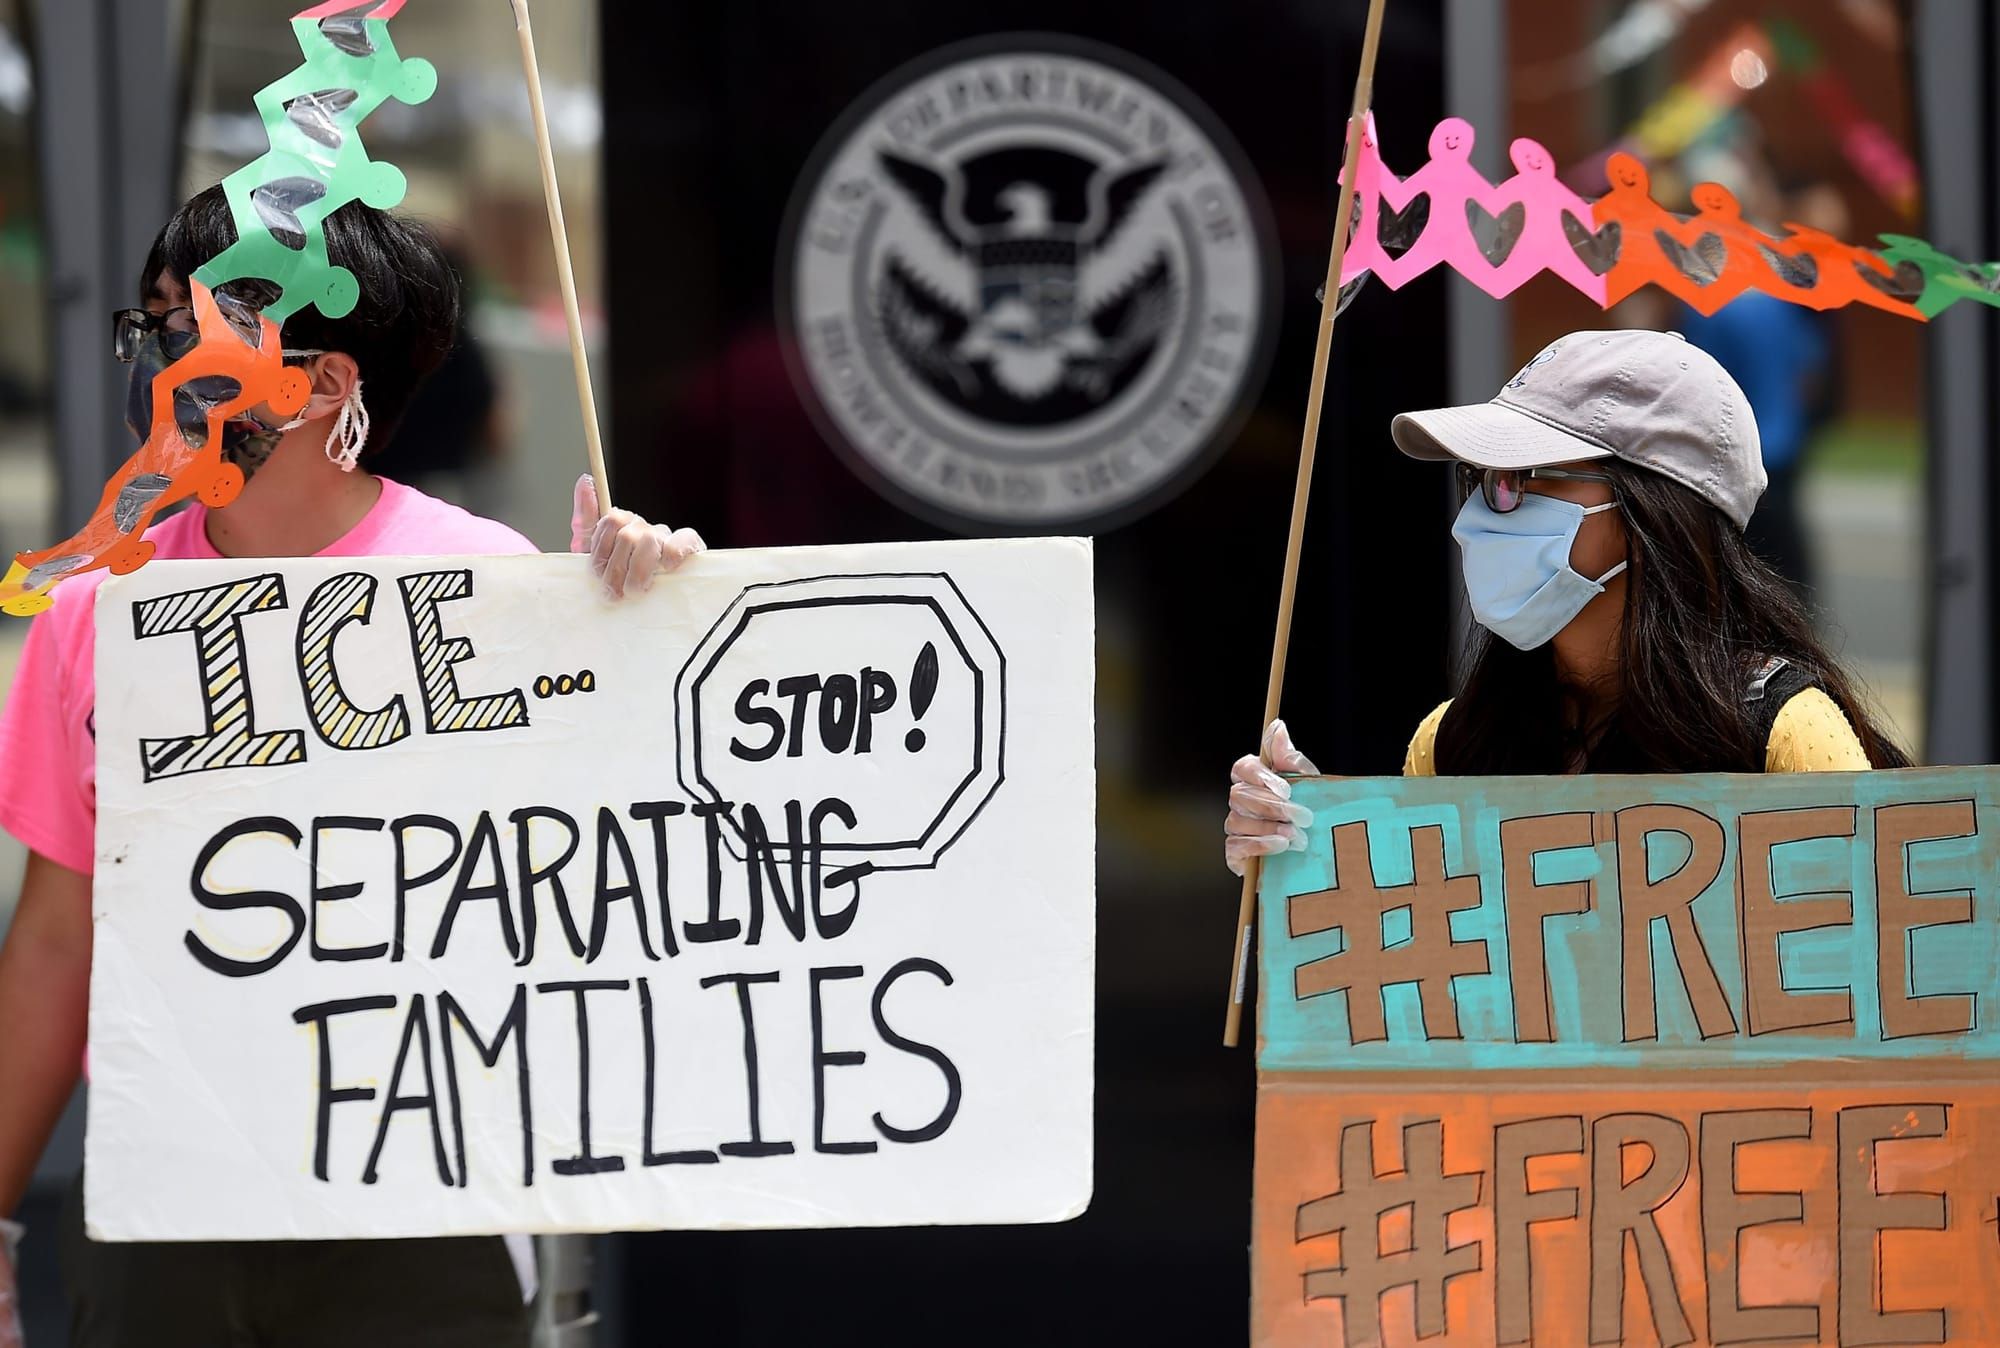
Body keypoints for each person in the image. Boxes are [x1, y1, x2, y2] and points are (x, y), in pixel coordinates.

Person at [0, 187, 703, 1348]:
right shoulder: (95, 612)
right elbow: (58, 935)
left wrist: (640, 625)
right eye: (153, 325)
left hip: (424, 1200)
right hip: (165, 1198)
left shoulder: (489, 582)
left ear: (326, 384)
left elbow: (593, 872)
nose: (157, 360)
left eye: (195, 329)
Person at [1225, 328, 1907, 877]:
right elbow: (1425, 975)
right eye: (1483, 481)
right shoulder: (1452, 742)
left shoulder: (1780, 733)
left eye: (1524, 479)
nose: (1481, 518)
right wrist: (1313, 848)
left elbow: (1872, 981)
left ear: (1650, 516)